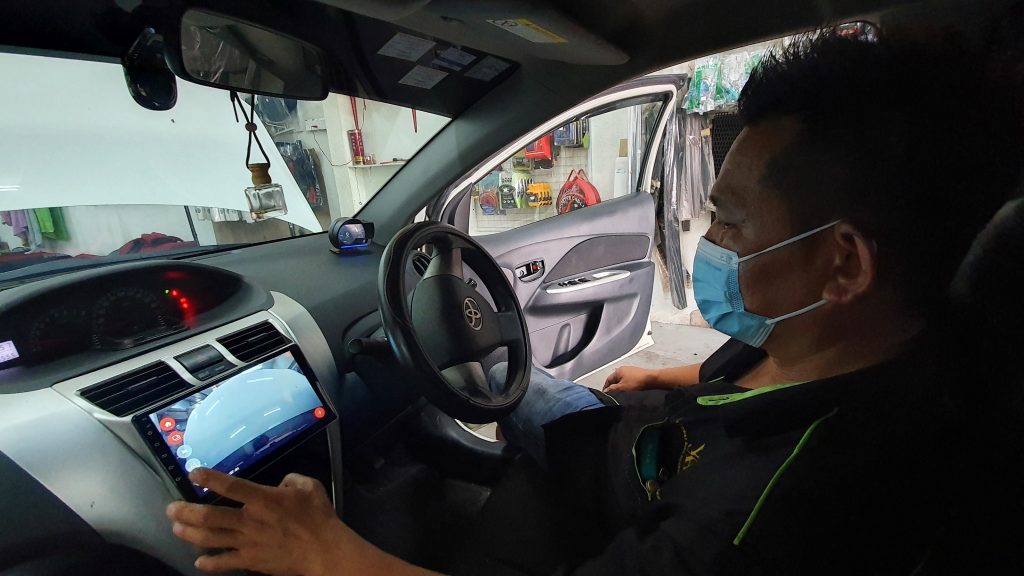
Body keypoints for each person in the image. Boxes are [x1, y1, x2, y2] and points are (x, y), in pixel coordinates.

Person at [166, 27, 1023, 576]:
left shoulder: (775, 512)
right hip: (618, 455)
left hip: (599, 525)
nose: (706, 239)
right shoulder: (850, 345)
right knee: (521, 386)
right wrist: (667, 382)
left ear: (843, 266)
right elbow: (742, 385)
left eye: (729, 220)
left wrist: (327, 550)